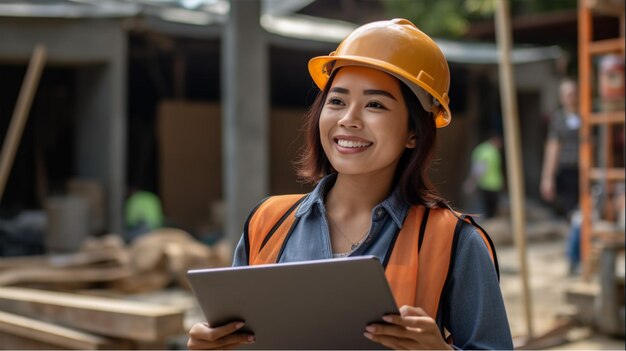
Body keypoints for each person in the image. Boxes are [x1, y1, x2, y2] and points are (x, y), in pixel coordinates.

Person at [188, 18, 512, 350]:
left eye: (375, 104)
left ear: (414, 131)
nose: (348, 119)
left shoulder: (455, 241)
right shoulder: (267, 224)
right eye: (337, 101)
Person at [540, 79, 581, 274]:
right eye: (567, 94)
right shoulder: (559, 119)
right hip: (567, 173)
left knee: (582, 215)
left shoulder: (587, 114)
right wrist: (547, 177)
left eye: (573, 93)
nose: (570, 97)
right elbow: (553, 148)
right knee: (574, 216)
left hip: (585, 171)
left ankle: (576, 257)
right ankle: (574, 258)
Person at [463, 132, 504, 218]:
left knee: (491, 210)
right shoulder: (486, 151)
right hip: (488, 185)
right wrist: (472, 182)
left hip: (493, 184)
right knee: (490, 211)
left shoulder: (490, 150)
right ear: (496, 140)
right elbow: (479, 169)